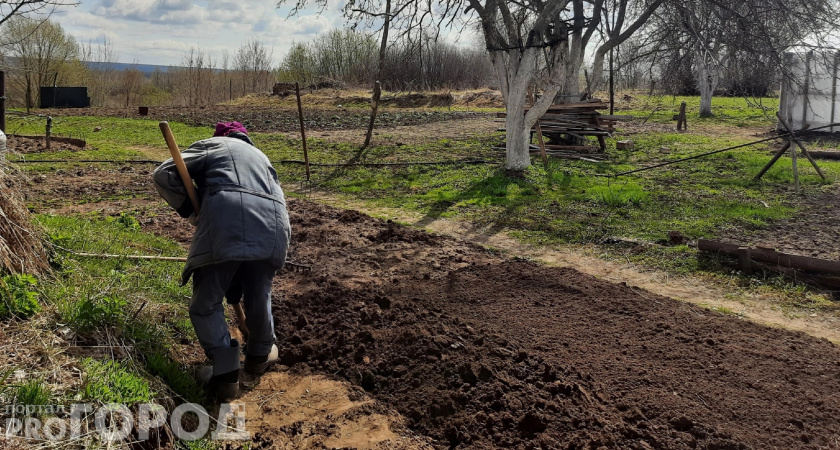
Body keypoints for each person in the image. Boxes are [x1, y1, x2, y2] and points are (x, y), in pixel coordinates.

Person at [153, 121, 291, 402]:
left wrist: (193, 211)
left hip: (228, 221)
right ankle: (260, 355)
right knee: (258, 293)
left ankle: (225, 373)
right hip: (276, 228)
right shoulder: (263, 158)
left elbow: (164, 173)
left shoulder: (215, 145)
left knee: (206, 303)